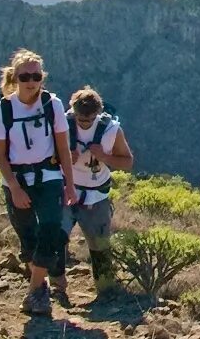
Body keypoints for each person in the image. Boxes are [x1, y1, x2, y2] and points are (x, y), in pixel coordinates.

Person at [0, 48, 77, 315]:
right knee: (28, 238)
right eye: (25, 77)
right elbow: (0, 155)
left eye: (36, 76)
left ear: (42, 77)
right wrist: (14, 187)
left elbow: (63, 148)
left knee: (50, 229)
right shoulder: (2, 110)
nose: (31, 82)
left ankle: (35, 291)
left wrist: (69, 184)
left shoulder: (53, 106)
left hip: (48, 177)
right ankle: (40, 288)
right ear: (15, 78)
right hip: (17, 179)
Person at [50, 87, 134, 304]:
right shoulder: (62, 125)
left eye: (89, 119)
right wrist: (63, 157)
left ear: (98, 113)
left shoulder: (111, 130)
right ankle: (57, 289)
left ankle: (105, 292)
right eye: (80, 119)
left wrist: (104, 156)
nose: (84, 123)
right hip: (66, 190)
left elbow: (127, 162)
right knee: (56, 239)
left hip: (96, 196)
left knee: (100, 246)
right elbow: (46, 157)